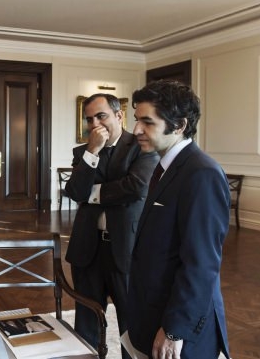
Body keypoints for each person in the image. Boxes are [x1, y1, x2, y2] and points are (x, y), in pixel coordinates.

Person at [127, 80, 230, 359]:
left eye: (147, 122)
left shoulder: (202, 174)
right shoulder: (165, 167)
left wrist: (175, 330)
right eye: (137, 120)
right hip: (153, 309)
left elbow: (201, 264)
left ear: (180, 125)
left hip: (181, 328)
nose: (136, 130)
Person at [64, 93, 159, 357]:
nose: (95, 124)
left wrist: (92, 193)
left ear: (119, 115)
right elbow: (75, 192)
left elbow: (136, 186)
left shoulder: (141, 146)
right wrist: (93, 151)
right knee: (87, 321)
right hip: (88, 248)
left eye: (101, 116)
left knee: (131, 322)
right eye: (89, 119)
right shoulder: (83, 152)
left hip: (126, 248)